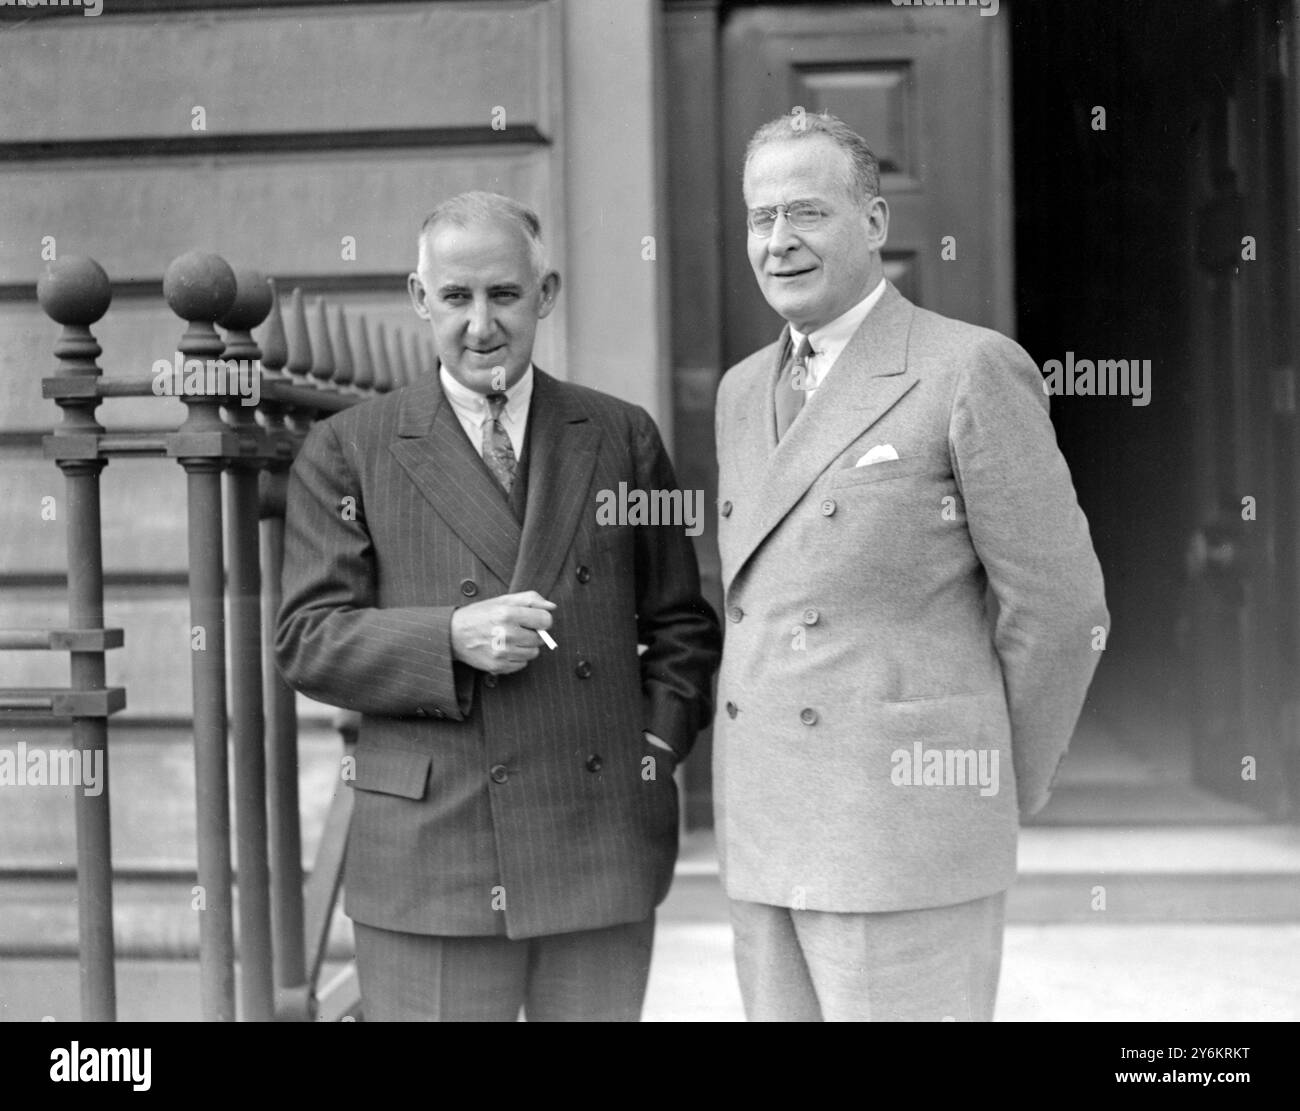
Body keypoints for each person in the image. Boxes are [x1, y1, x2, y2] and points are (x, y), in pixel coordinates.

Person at [276, 191, 720, 1021]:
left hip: (598, 843)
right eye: (456, 297)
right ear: (420, 299)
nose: (482, 324)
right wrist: (447, 638)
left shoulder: (624, 437)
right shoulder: (348, 449)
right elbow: (306, 638)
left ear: (545, 294)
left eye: (505, 295)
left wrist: (655, 745)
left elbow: (684, 625)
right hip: (432, 859)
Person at [713, 113, 1108, 1021]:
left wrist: (999, 770)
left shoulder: (966, 368)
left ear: (877, 223)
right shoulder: (742, 391)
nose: (778, 243)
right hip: (767, 830)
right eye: (760, 218)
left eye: (807, 212)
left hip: (906, 835)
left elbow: (1060, 606)